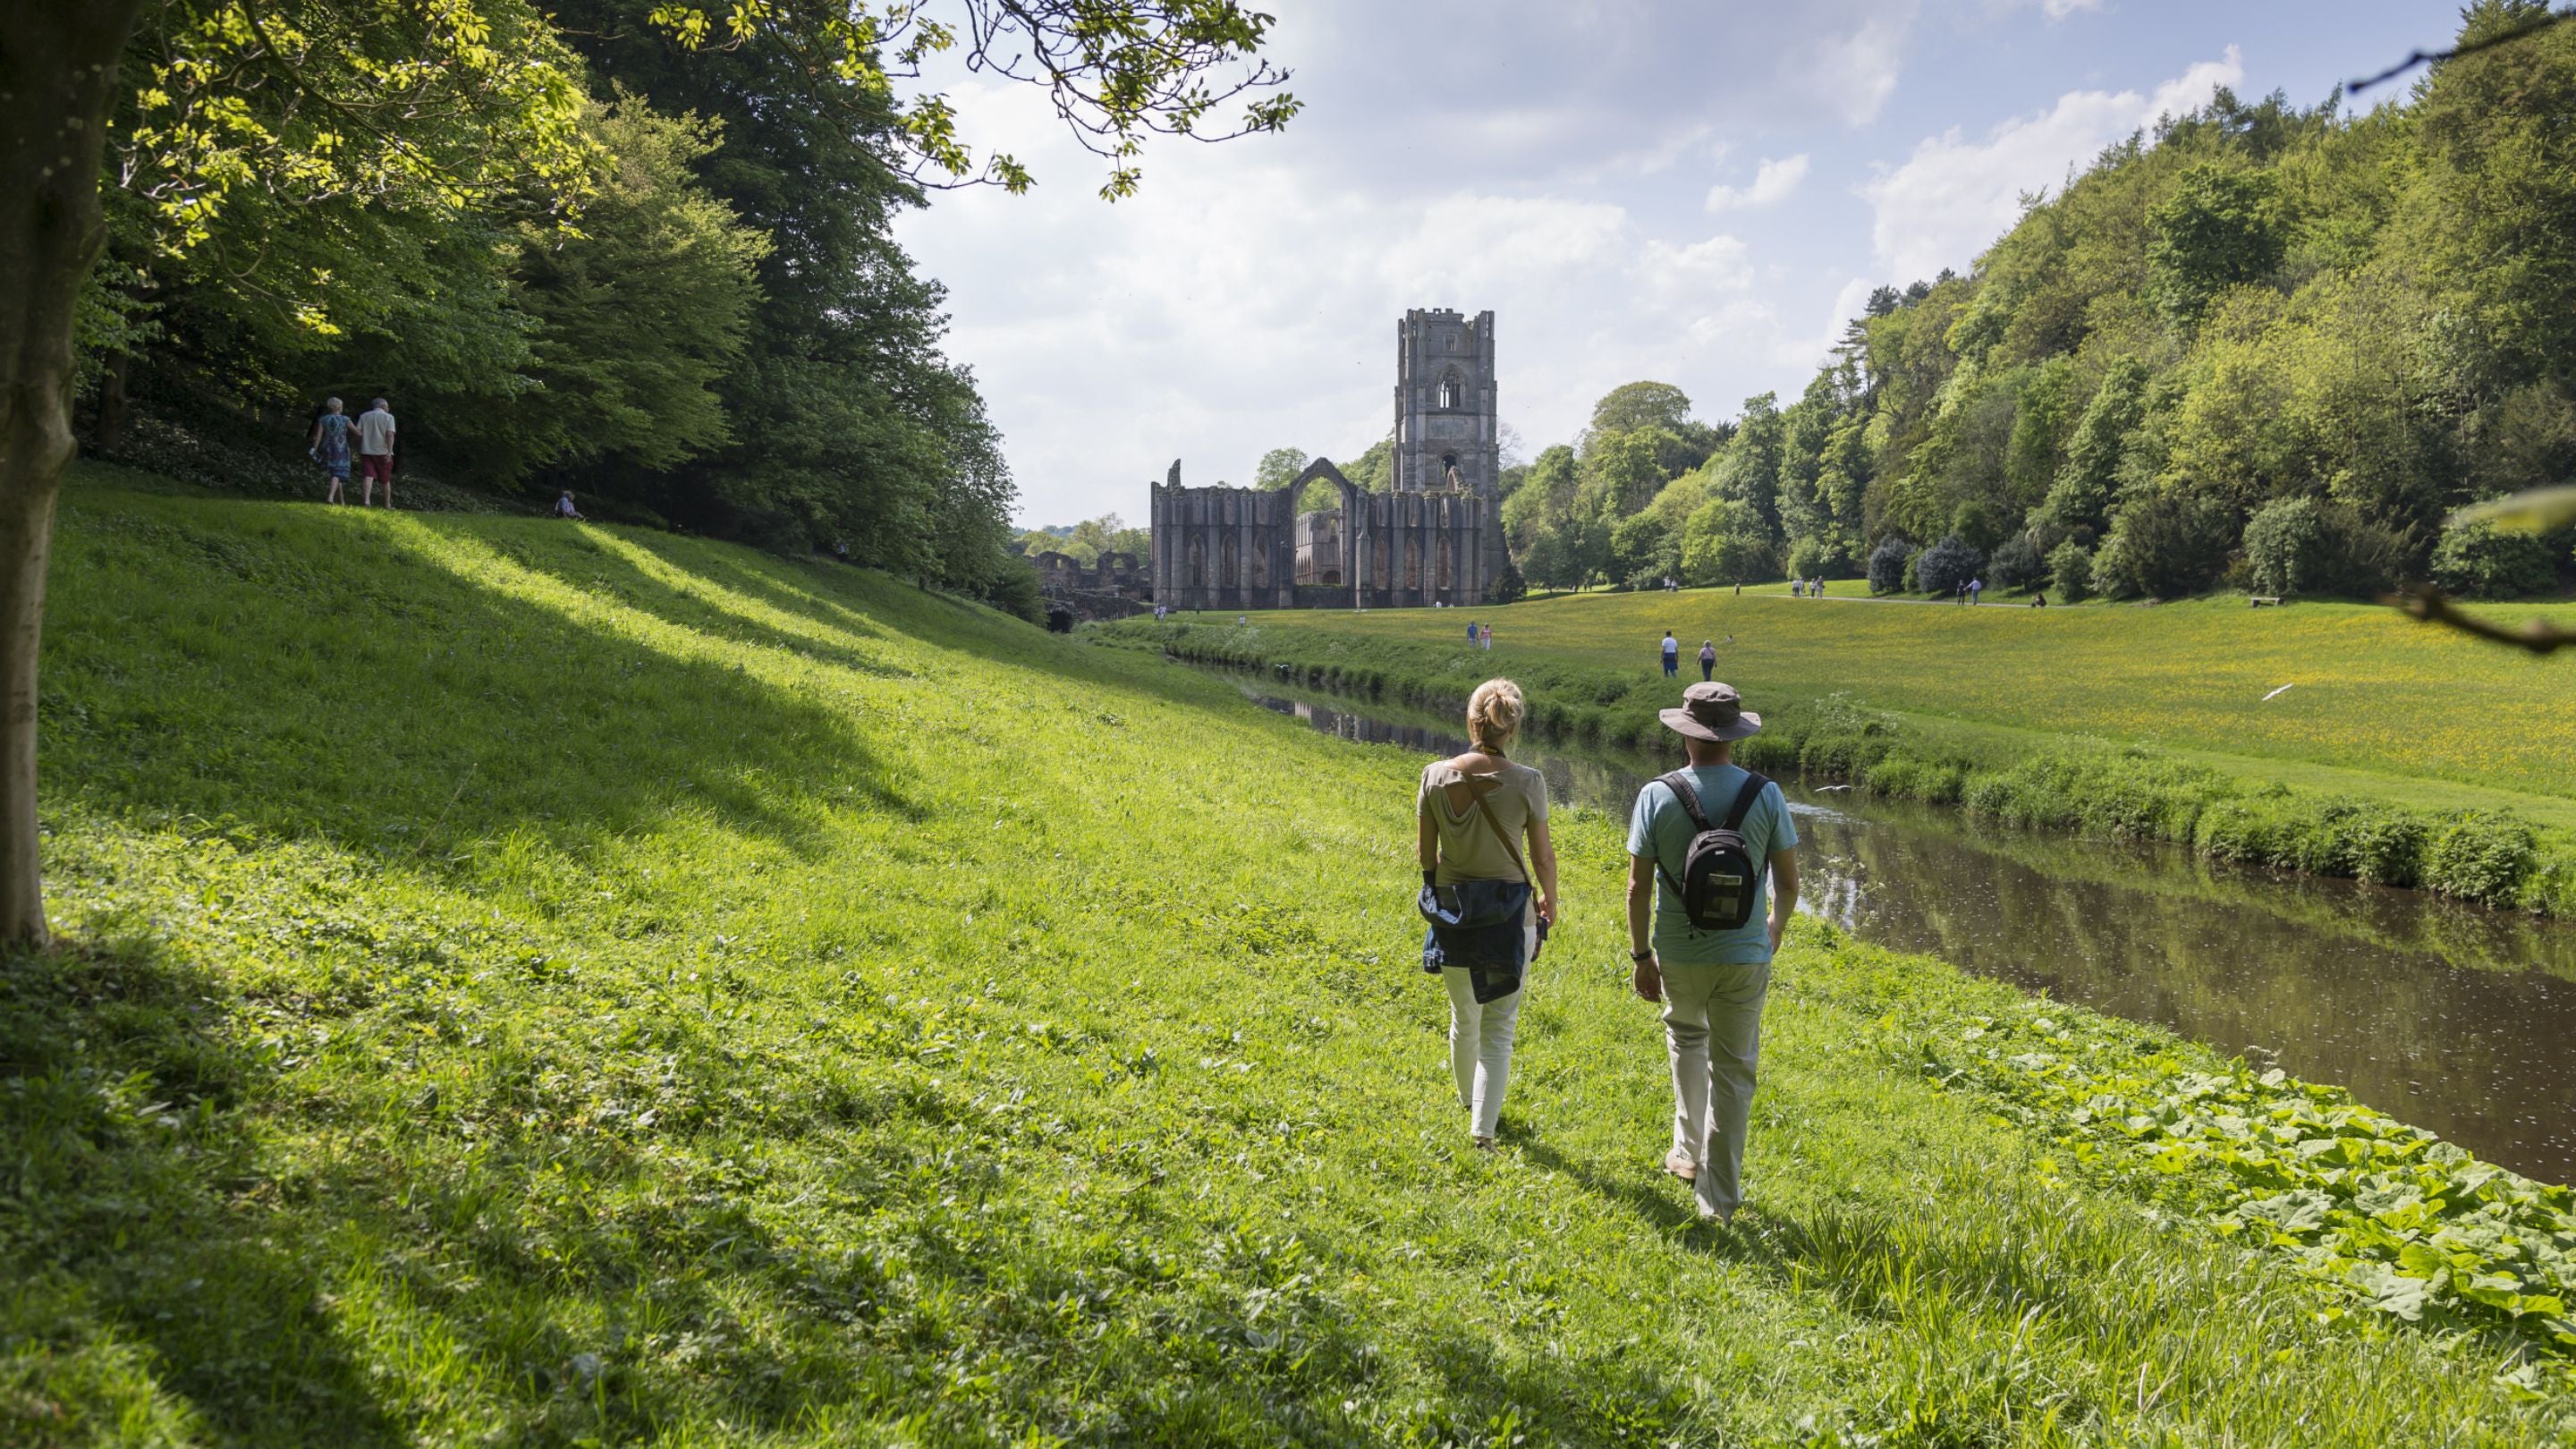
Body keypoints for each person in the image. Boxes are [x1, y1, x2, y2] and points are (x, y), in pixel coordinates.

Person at [1625, 681, 1799, 1224]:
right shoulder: (1765, 795)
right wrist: (1773, 930)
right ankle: (1718, 1199)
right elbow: (1789, 885)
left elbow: (1637, 887)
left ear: (1687, 734)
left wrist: (1641, 956)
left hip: (1678, 949)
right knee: (1734, 1069)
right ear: (1734, 737)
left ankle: (1685, 1151)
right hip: (1745, 953)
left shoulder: (1657, 794)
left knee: (1686, 1037)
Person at [1418, 679, 1556, 1151]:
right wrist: (1549, 900)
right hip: (1509, 915)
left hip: (1454, 911)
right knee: (1500, 1027)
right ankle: (1482, 1130)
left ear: (1470, 720)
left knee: (1464, 1016)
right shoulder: (1529, 782)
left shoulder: (1433, 776)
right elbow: (1541, 859)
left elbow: (1426, 857)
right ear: (1512, 729)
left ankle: (1467, 1101)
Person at [308, 396, 352, 504]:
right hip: (341, 448)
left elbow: (318, 436)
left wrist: (314, 449)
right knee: (337, 473)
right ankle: (330, 498)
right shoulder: (345, 419)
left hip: (328, 447)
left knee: (335, 473)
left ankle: (342, 501)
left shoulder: (323, 419)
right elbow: (357, 432)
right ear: (340, 406)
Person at [355, 397, 397, 507]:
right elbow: (389, 434)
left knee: (368, 475)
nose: (388, 408)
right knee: (385, 479)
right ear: (383, 406)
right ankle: (387, 504)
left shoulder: (364, 416)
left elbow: (358, 432)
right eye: (387, 406)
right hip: (383, 451)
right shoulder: (389, 417)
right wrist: (390, 451)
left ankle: (366, 501)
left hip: (367, 451)